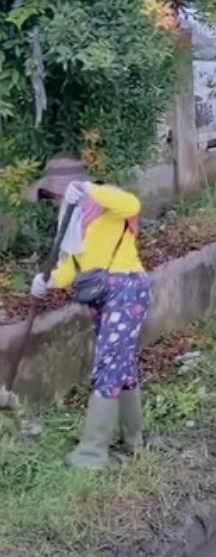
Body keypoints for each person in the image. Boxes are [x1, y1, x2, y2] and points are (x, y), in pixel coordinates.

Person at [27, 155, 149, 468]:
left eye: (56, 194)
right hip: (99, 297)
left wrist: (85, 189)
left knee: (108, 363)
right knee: (121, 365)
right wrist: (47, 281)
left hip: (127, 290)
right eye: (52, 197)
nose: (55, 201)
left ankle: (93, 452)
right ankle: (135, 439)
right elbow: (71, 267)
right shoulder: (71, 223)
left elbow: (132, 204)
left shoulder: (105, 204)